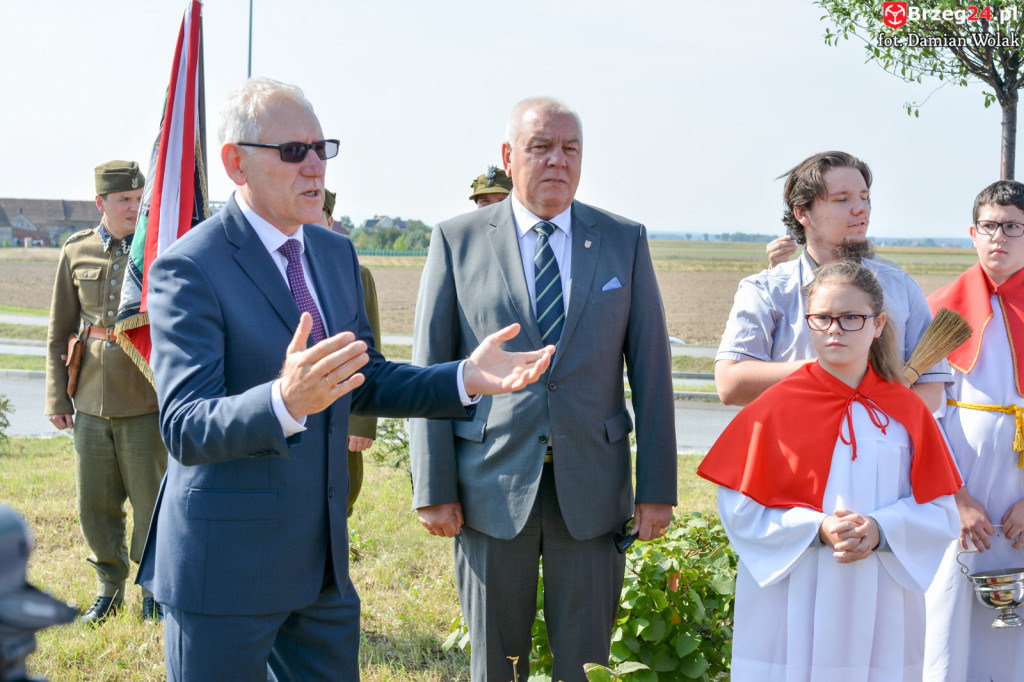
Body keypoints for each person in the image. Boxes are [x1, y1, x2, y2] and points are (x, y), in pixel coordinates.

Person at [136, 77, 554, 681]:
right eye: (292, 152)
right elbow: (184, 426)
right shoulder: (189, 267)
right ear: (235, 163)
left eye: (321, 149)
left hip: (320, 566)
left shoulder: (333, 256)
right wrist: (283, 400)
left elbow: (368, 377)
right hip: (223, 567)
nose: (314, 167)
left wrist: (464, 377)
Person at [410, 97, 677, 682]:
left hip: (593, 488)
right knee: (497, 662)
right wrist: (432, 485)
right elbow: (431, 371)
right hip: (489, 487)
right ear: (509, 157)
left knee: (585, 664)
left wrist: (658, 487)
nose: (557, 160)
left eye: (570, 149)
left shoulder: (622, 240)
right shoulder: (457, 240)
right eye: (540, 147)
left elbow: (652, 373)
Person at [699, 260, 961, 680]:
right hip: (795, 588)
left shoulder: (908, 411)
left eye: (851, 317)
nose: (835, 329)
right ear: (808, 323)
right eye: (822, 318)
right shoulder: (775, 408)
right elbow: (740, 508)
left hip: (881, 591)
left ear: (878, 324)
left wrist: (881, 528)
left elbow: (942, 510)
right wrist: (814, 528)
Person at [715, 151, 950, 410]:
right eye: (842, 199)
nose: (861, 208)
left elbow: (931, 389)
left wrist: (874, 423)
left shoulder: (901, 288)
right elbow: (730, 384)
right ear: (802, 213)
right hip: (795, 446)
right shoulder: (766, 291)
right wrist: (829, 369)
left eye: (865, 197)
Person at [44, 160, 167, 625]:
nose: (134, 208)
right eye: (124, 201)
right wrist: (59, 398)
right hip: (91, 398)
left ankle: (154, 587)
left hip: (145, 397)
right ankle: (108, 588)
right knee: (94, 503)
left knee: (151, 500)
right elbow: (60, 332)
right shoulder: (76, 251)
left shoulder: (157, 250)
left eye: (139, 200)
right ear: (101, 203)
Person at [924, 180, 1024, 681]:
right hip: (960, 499)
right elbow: (920, 417)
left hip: (1021, 503)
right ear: (972, 232)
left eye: (1012, 226)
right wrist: (955, 498)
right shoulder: (939, 311)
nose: (998, 237)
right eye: (989, 226)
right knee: (948, 623)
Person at [319, 188, 380, 515]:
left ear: (330, 222)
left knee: (339, 502)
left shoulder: (355, 274)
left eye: (317, 215)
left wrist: (361, 422)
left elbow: (368, 352)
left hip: (340, 413)